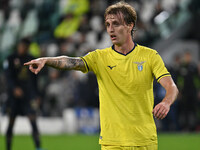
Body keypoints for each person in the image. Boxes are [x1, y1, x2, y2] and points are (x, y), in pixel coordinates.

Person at [25, 2, 178, 150]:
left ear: (130, 25)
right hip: (112, 142)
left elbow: (171, 87)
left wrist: (166, 102)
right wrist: (46, 60)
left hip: (144, 140)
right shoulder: (99, 57)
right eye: (107, 25)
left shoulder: (150, 56)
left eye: (116, 24)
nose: (110, 29)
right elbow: (73, 62)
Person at [4, 38, 43, 150]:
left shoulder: (31, 59)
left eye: (24, 47)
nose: (22, 49)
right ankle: (8, 148)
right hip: (14, 97)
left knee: (33, 120)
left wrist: (37, 95)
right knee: (11, 122)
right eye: (21, 46)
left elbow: (35, 79)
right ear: (18, 46)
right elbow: (8, 77)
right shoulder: (10, 59)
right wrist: (14, 88)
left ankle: (38, 147)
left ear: (27, 48)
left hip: (28, 96)